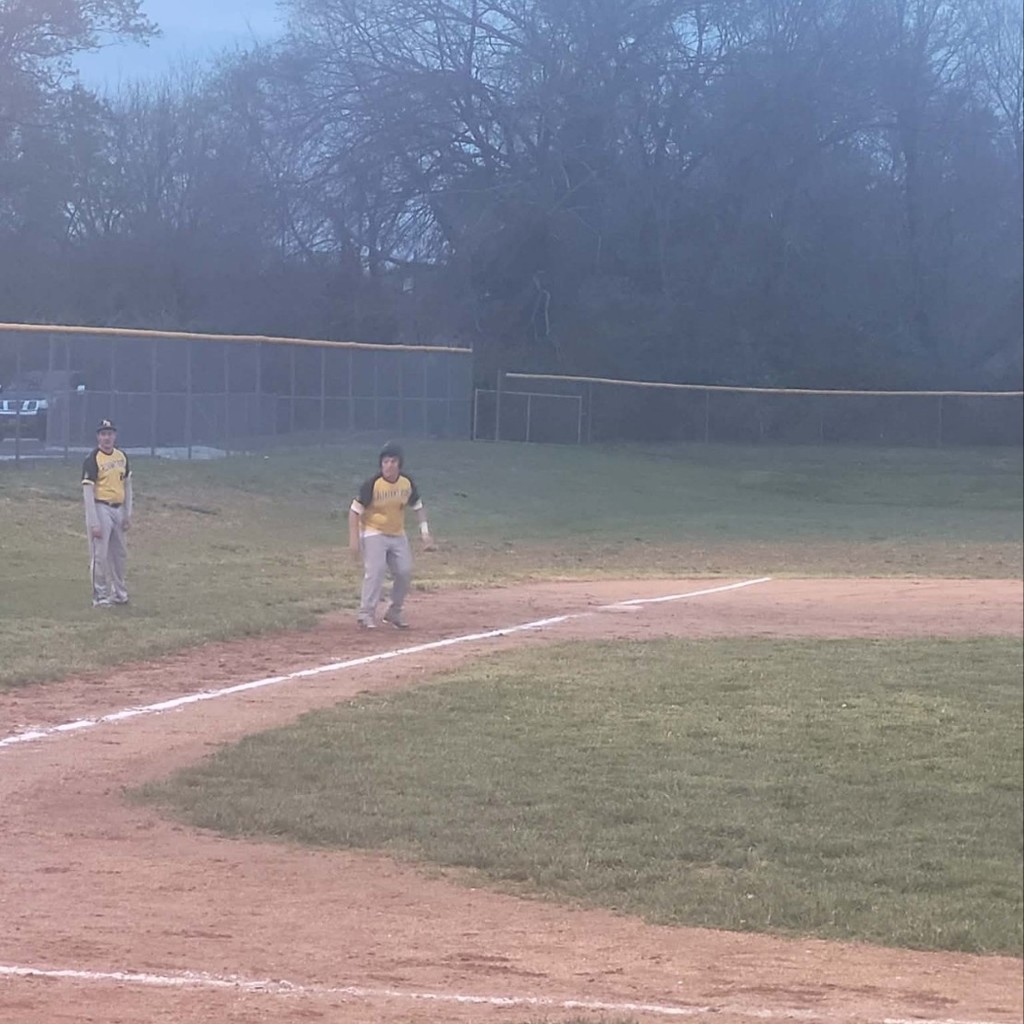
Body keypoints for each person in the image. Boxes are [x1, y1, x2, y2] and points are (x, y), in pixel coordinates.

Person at [349, 441, 434, 628]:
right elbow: (355, 511)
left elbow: (418, 507)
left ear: (399, 464)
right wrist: (354, 540)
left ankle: (394, 612)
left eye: (393, 461)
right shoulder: (372, 484)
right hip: (374, 531)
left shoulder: (406, 483)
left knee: (404, 572)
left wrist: (425, 533)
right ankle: (366, 613)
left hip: (397, 533)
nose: (389, 465)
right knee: (376, 570)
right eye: (385, 461)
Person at [81, 418, 132, 607]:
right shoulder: (93, 459)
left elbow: (127, 486)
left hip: (118, 508)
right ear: (98, 437)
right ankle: (100, 595)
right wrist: (94, 522)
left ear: (115, 436)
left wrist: (128, 513)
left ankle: (119, 593)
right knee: (100, 554)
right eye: (103, 434)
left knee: (119, 554)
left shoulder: (121, 456)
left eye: (110, 434)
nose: (107, 438)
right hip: (100, 507)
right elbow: (88, 491)